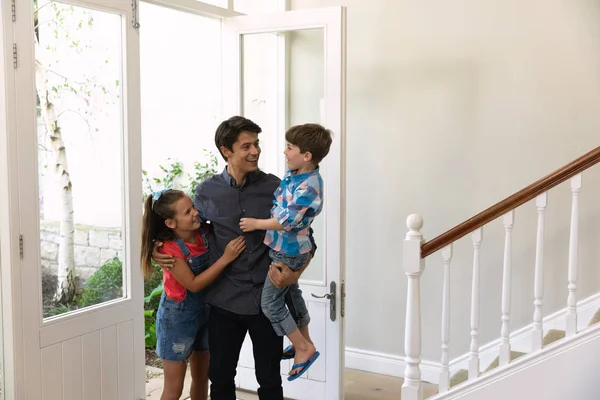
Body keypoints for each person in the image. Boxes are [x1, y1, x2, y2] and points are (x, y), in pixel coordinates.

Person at [152, 116, 316, 400]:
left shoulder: (276, 187)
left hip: (267, 300)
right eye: (246, 146)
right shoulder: (206, 192)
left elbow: (306, 237)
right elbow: (188, 230)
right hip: (223, 303)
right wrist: (159, 248)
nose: (255, 151)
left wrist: (295, 275)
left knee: (269, 379)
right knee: (221, 380)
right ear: (226, 150)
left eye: (257, 144)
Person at [239, 123, 332, 381]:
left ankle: (304, 348)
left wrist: (256, 224)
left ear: (307, 156)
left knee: (270, 303)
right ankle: (304, 339)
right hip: (286, 249)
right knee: (292, 294)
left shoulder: (309, 185)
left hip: (289, 253)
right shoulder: (298, 174)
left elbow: (288, 221)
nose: (285, 152)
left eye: (290, 148)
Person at [141, 189, 246, 400]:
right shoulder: (169, 249)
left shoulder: (204, 233)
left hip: (206, 313)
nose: (195, 213)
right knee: (174, 388)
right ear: (171, 223)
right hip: (178, 318)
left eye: (193, 207)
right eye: (187, 212)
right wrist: (225, 259)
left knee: (202, 379)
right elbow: (194, 285)